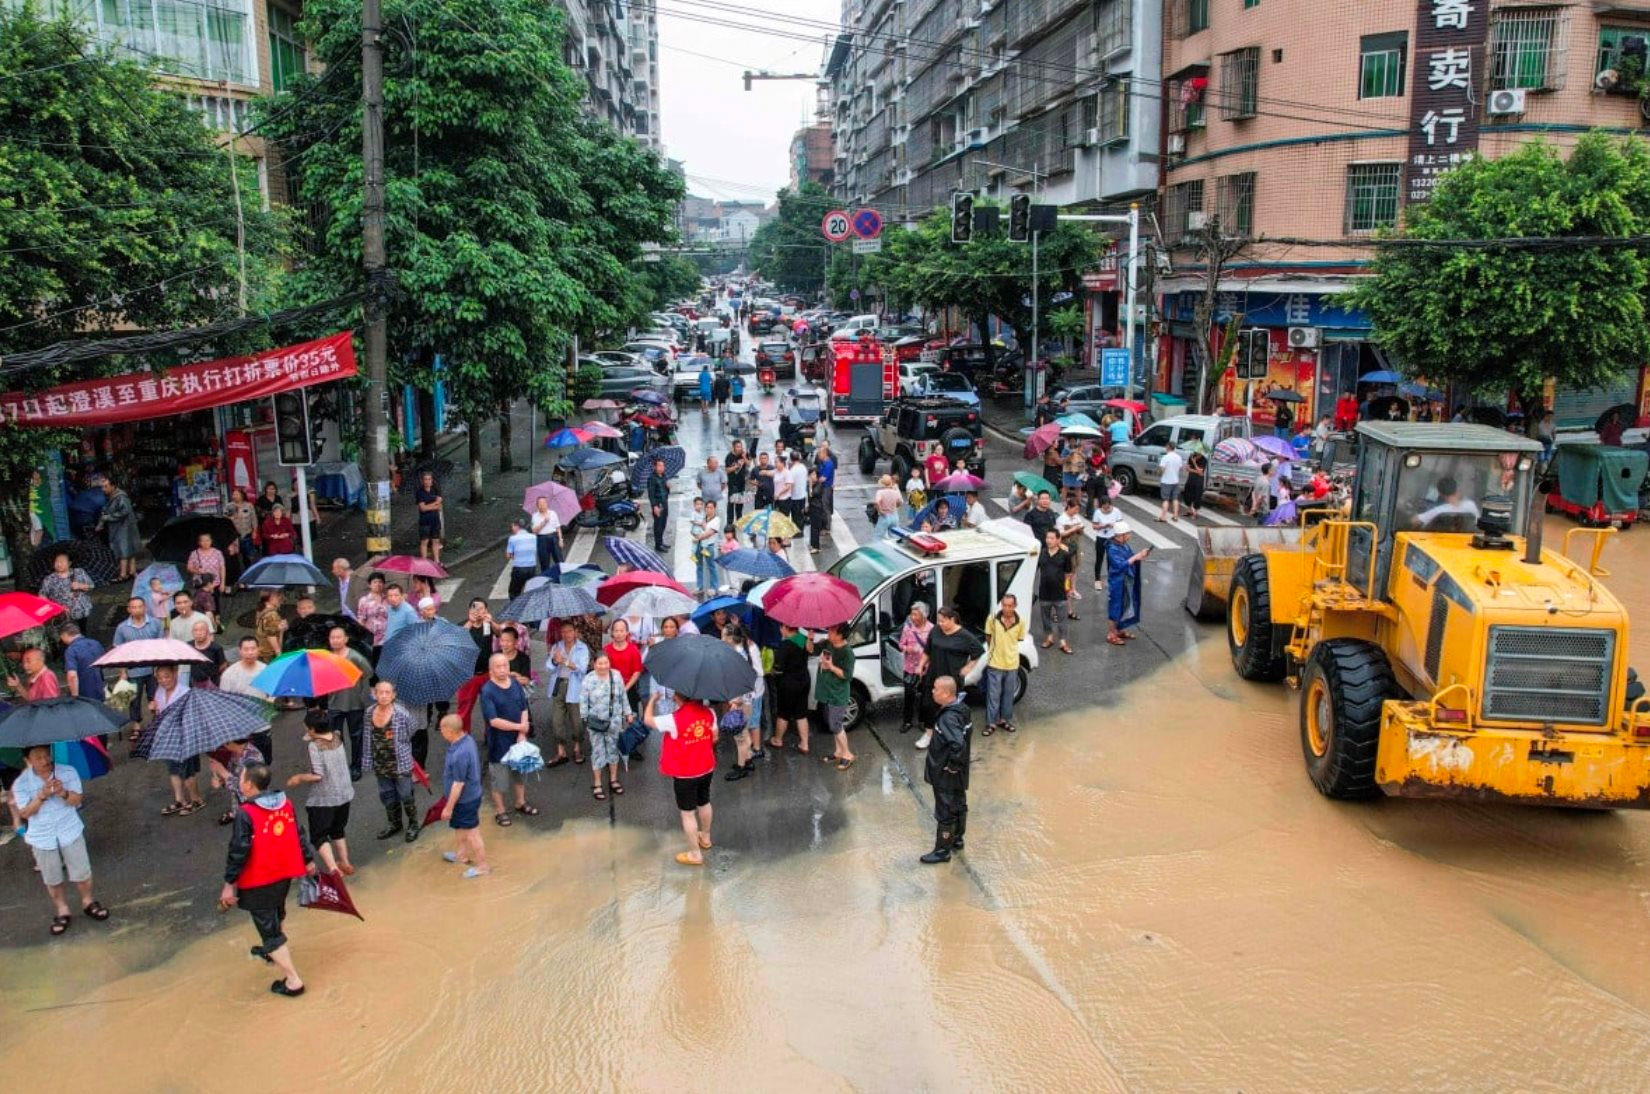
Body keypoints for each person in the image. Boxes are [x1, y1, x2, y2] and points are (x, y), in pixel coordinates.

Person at [221, 763, 317, 998]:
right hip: (283, 872)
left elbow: (239, 849)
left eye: (241, 778)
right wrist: (307, 859)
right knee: (276, 912)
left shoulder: (245, 813)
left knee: (269, 929)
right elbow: (298, 832)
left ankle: (293, 980)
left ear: (249, 785)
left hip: (258, 878)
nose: (240, 782)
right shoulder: (285, 802)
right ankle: (271, 950)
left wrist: (228, 883)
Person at [14, 744, 109, 936]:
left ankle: (88, 901)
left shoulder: (67, 771)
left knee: (82, 871)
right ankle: (62, 909)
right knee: (52, 877)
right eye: (38, 757)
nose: (45, 761)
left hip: (69, 829)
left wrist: (63, 792)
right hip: (42, 836)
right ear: (28, 760)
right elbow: (25, 813)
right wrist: (41, 796)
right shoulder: (21, 784)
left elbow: (77, 801)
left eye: (47, 755)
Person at [645, 688, 719, 866]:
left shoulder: (673, 719)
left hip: (685, 773)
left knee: (687, 814)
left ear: (679, 698)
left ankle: (695, 854)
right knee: (704, 801)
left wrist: (652, 700)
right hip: (706, 767)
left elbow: (647, 720)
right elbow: (714, 737)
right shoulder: (710, 712)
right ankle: (706, 838)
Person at [287, 711, 355, 876]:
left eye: (307, 728)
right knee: (338, 829)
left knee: (319, 835)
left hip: (325, 798)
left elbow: (318, 774)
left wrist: (299, 777)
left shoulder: (315, 746)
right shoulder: (337, 736)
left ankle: (333, 869)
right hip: (345, 793)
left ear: (312, 729)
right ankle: (345, 862)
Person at [919, 676, 972, 865]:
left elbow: (958, 744)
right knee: (958, 802)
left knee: (945, 810)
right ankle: (957, 839)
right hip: (959, 773)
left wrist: (952, 766)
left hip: (946, 773)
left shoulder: (949, 717)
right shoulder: (962, 709)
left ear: (947, 693)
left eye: (935, 689)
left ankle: (942, 850)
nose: (932, 691)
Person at [480, 653, 536, 826]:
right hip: (499, 742)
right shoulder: (487, 690)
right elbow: (494, 721)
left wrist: (522, 732)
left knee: (521, 774)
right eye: (499, 666)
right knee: (499, 778)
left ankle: (520, 802)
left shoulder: (515, 684)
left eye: (505, 665)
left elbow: (523, 707)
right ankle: (500, 810)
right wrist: (520, 727)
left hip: (518, 739)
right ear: (491, 669)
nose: (503, 669)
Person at [916, 607, 982, 751]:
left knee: (949, 709)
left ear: (952, 620)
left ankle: (947, 735)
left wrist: (967, 668)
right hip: (933, 674)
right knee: (928, 705)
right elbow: (927, 651)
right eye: (938, 620)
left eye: (943, 621)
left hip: (952, 679)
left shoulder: (965, 636)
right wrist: (921, 665)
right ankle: (928, 734)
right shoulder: (936, 631)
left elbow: (978, 651)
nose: (940, 623)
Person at [366, 680, 419, 841]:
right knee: (387, 794)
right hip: (380, 763)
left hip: (400, 763)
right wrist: (367, 760)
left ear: (393, 695)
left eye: (387, 692)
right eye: (380, 692)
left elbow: (412, 729)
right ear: (374, 694)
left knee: (405, 794)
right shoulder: (369, 712)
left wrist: (401, 745)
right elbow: (367, 736)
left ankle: (413, 824)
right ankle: (394, 824)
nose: (383, 696)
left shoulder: (401, 714)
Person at [436, 714, 488, 877]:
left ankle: (482, 866)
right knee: (459, 826)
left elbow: (458, 784)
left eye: (442, 730)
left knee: (472, 833)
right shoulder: (467, 739)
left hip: (465, 800)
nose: (441, 733)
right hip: (467, 797)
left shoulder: (460, 754)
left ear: (450, 731)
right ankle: (461, 855)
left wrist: (448, 808)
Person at [151, 664, 204, 816]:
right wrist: (154, 708)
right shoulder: (159, 691)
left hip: (184, 737)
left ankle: (197, 799)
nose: (163, 680)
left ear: (175, 674)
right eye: (160, 677)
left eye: (166, 676)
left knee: (187, 772)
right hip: (167, 737)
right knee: (173, 770)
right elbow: (159, 713)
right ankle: (180, 800)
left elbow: (192, 717)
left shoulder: (185, 692)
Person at [578, 651, 631, 801]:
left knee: (613, 749)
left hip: (614, 720)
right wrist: (585, 718)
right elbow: (583, 700)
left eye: (605, 663)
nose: (603, 666)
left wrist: (628, 713)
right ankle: (597, 783)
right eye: (599, 663)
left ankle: (613, 780)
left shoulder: (616, 675)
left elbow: (623, 696)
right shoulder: (588, 679)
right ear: (594, 664)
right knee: (597, 751)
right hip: (595, 721)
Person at [325, 627, 373, 779]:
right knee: (335, 738)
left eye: (339, 637)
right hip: (333, 703)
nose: (335, 640)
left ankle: (356, 766)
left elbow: (368, 673)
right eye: (332, 637)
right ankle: (340, 766)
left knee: (356, 736)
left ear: (346, 639)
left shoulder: (355, 657)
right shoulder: (327, 657)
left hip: (354, 703)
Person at [114, 595, 164, 734]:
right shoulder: (122, 628)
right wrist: (123, 672)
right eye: (133, 607)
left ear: (145, 607)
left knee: (155, 697)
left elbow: (161, 646)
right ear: (129, 609)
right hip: (133, 670)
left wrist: (160, 668)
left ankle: (157, 722)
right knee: (134, 699)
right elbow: (120, 651)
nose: (137, 609)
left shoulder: (155, 623)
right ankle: (136, 724)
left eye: (140, 606)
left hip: (153, 669)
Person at [722, 622, 765, 780]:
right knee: (744, 732)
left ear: (731, 638)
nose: (722, 638)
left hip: (740, 700)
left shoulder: (737, 656)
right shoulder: (741, 652)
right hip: (746, 699)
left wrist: (735, 701)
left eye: (723, 635)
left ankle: (741, 767)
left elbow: (740, 681)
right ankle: (747, 761)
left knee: (740, 736)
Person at [815, 623, 857, 771]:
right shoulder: (828, 643)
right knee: (831, 722)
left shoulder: (847, 653)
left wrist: (831, 667)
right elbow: (811, 650)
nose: (828, 631)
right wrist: (808, 638)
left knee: (835, 724)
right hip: (828, 692)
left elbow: (847, 675)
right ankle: (838, 751)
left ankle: (847, 754)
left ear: (840, 635)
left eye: (832, 630)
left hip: (838, 694)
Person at [547, 620, 589, 767]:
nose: (566, 634)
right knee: (556, 720)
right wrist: (553, 660)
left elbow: (582, 669)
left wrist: (564, 662)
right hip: (559, 685)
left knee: (577, 721)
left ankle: (578, 747)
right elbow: (549, 667)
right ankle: (561, 751)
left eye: (569, 631)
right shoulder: (556, 646)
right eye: (563, 632)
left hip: (575, 687)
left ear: (575, 632)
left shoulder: (582, 648)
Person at [767, 622, 813, 754]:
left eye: (781, 627)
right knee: (801, 713)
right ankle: (804, 744)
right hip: (804, 680)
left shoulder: (785, 645)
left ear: (785, 628)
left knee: (783, 713)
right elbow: (810, 650)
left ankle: (777, 740)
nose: (780, 630)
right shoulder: (802, 639)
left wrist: (771, 670)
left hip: (788, 684)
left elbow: (778, 668)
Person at [983, 594, 1025, 735]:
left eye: (1009, 606)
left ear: (1015, 606)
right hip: (995, 663)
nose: (1006, 608)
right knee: (993, 695)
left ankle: (1004, 720)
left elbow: (1018, 639)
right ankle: (991, 723)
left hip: (1012, 664)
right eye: (1004, 605)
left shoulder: (1021, 622)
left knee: (1008, 695)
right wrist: (993, 651)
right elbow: (988, 636)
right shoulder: (992, 618)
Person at [1106, 521, 1148, 646]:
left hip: (1126, 580)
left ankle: (1119, 630)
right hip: (1117, 582)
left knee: (1125, 605)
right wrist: (1136, 557)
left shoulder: (1124, 545)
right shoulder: (1112, 548)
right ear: (1120, 535)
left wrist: (1140, 555)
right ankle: (1111, 634)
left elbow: (1130, 557)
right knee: (1115, 608)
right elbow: (1120, 565)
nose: (1129, 536)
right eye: (1127, 534)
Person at [207, 736, 265, 826]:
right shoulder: (235, 754)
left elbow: (248, 788)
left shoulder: (253, 757)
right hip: (240, 807)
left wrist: (224, 773)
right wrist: (221, 780)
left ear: (230, 742)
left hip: (254, 809)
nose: (222, 744)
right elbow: (234, 777)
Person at [1036, 529, 1076, 655]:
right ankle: (1049, 637)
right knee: (1045, 617)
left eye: (1052, 538)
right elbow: (1035, 570)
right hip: (1044, 592)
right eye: (1047, 538)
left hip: (1059, 593)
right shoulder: (1041, 553)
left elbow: (1068, 574)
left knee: (1062, 619)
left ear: (1058, 540)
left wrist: (1068, 589)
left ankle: (1063, 641)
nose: (1049, 540)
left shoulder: (1065, 555)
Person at [96, 475, 141, 580]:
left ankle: (123, 574)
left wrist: (109, 517)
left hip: (124, 527)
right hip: (120, 527)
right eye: (102, 487)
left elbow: (124, 511)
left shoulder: (120, 497)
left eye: (106, 486)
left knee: (123, 549)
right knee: (127, 548)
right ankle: (131, 571)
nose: (104, 489)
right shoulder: (112, 497)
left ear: (113, 486)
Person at [38, 551, 93, 634]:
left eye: (62, 561)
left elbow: (91, 586)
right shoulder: (49, 579)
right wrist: (54, 607)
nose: (59, 564)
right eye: (57, 561)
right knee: (65, 634)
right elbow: (42, 595)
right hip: (61, 613)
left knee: (81, 632)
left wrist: (80, 586)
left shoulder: (79, 572)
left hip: (80, 611)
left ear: (69, 563)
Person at [897, 603, 932, 734]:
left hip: (926, 669)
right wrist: (908, 649)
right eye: (911, 614)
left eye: (915, 614)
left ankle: (923, 721)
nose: (912, 617)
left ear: (923, 615)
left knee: (925, 697)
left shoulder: (932, 629)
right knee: (909, 696)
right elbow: (901, 645)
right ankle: (907, 721)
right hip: (910, 668)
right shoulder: (907, 629)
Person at [186, 533, 226, 630]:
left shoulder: (217, 553)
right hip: (201, 583)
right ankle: (204, 622)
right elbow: (189, 567)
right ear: (199, 542)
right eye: (203, 540)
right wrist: (197, 571)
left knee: (215, 602)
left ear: (211, 541)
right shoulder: (194, 553)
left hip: (214, 583)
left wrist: (223, 582)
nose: (205, 542)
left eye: (208, 540)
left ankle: (217, 621)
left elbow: (222, 567)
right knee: (202, 602)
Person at [59, 624, 106, 703]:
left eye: (61, 637)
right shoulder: (95, 643)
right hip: (100, 689)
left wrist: (75, 697)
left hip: (84, 694)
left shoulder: (71, 650)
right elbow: (104, 663)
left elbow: (72, 675)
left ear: (64, 635)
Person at [1417, 475, 1482, 528]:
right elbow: (1478, 524)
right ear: (1457, 489)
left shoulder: (1439, 510)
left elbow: (1415, 521)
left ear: (1441, 494)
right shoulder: (1471, 505)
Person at [356, 572, 389, 661]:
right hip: (372, 639)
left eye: (380, 582)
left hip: (387, 638)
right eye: (374, 582)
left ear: (384, 584)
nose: (378, 584)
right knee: (374, 663)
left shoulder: (388, 599)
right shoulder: (364, 601)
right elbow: (361, 619)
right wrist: (361, 637)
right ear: (369, 585)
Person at [529, 496, 564, 579]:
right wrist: (544, 522)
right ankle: (546, 579)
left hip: (553, 537)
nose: (542, 505)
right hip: (542, 539)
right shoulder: (534, 516)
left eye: (543, 503)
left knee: (559, 560)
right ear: (537, 505)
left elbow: (558, 527)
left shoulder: (553, 513)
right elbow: (534, 530)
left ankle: (562, 576)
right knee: (544, 562)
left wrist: (560, 539)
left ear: (546, 504)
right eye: (540, 504)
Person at [505, 517, 538, 600]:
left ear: (517, 527)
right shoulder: (533, 537)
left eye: (512, 526)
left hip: (519, 568)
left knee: (514, 592)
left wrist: (514, 556)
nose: (512, 528)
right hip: (532, 568)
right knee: (531, 591)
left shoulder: (513, 538)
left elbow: (508, 555)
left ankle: (515, 609)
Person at [695, 499, 722, 595]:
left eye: (711, 508)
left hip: (708, 547)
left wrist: (699, 537)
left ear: (715, 509)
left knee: (711, 567)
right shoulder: (703, 518)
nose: (708, 509)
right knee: (698, 566)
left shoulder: (716, 520)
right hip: (699, 545)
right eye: (707, 507)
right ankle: (699, 587)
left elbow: (709, 533)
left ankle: (714, 587)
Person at [415, 471, 444, 563]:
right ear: (422, 481)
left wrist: (431, 506)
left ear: (432, 480)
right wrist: (435, 503)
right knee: (424, 541)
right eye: (425, 479)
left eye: (429, 479)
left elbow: (440, 507)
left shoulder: (434, 491)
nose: (427, 481)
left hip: (435, 520)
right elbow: (423, 508)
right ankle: (424, 561)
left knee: (435, 540)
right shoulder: (420, 492)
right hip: (425, 521)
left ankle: (437, 560)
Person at [188, 618, 225, 684]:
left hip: (213, 683)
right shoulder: (189, 646)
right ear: (192, 632)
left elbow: (222, 666)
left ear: (207, 632)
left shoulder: (216, 648)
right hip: (194, 683)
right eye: (195, 630)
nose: (198, 633)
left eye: (202, 630)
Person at [227, 487, 259, 565]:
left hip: (246, 533)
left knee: (248, 556)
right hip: (233, 535)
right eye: (233, 494)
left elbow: (254, 519)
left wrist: (254, 531)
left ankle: (248, 572)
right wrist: (232, 517)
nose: (235, 496)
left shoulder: (249, 505)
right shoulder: (229, 506)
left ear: (242, 495)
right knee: (235, 556)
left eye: (237, 494)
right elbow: (225, 520)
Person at [1157, 440, 1184, 522]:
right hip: (1175, 481)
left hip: (1166, 481)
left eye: (1166, 446)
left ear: (1168, 447)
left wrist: (1158, 473)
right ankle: (1175, 516)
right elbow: (1181, 468)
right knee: (1175, 499)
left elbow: (1162, 469)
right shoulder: (1179, 457)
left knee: (1165, 499)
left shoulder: (1165, 457)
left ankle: (1163, 517)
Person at [647, 456, 670, 552]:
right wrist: (654, 506)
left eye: (663, 466)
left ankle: (661, 542)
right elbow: (651, 494)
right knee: (658, 525)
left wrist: (668, 488)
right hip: (658, 505)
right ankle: (658, 545)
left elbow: (666, 492)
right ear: (654, 467)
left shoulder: (664, 476)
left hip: (664, 503)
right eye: (659, 466)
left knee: (663, 524)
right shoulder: (651, 478)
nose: (662, 468)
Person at [724, 441, 749, 522]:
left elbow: (748, 464)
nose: (739, 448)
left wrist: (744, 457)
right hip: (732, 483)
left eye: (740, 446)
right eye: (737, 447)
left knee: (740, 503)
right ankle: (730, 522)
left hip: (741, 482)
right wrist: (737, 466)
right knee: (731, 502)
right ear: (733, 447)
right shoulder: (729, 457)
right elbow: (727, 470)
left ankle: (739, 520)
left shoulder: (744, 455)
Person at [873, 474, 902, 540]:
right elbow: (899, 502)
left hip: (885, 515)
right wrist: (895, 506)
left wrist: (880, 510)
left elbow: (877, 502)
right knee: (894, 536)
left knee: (878, 536)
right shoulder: (894, 492)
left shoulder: (880, 492)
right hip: (894, 516)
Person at [806, 468, 828, 554]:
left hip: (817, 508)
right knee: (812, 527)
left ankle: (816, 546)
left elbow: (813, 494)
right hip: (812, 507)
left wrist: (810, 485)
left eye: (814, 475)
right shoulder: (810, 484)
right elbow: (809, 496)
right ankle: (813, 544)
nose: (812, 477)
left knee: (815, 528)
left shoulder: (819, 484)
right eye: (811, 475)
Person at [1183, 451, 1207, 521]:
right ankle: (1189, 511)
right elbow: (1187, 469)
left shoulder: (1203, 459)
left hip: (1198, 481)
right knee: (1188, 494)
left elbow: (1200, 472)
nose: (1198, 454)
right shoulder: (1191, 457)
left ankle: (1195, 513)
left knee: (1197, 496)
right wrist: (1196, 470)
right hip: (1190, 479)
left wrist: (1194, 463)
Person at [816, 442, 836, 526]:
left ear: (824, 454)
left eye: (820, 454)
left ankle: (827, 526)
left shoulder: (828, 464)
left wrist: (815, 480)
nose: (818, 456)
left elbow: (823, 478)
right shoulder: (823, 462)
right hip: (823, 487)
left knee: (825, 506)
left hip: (826, 487)